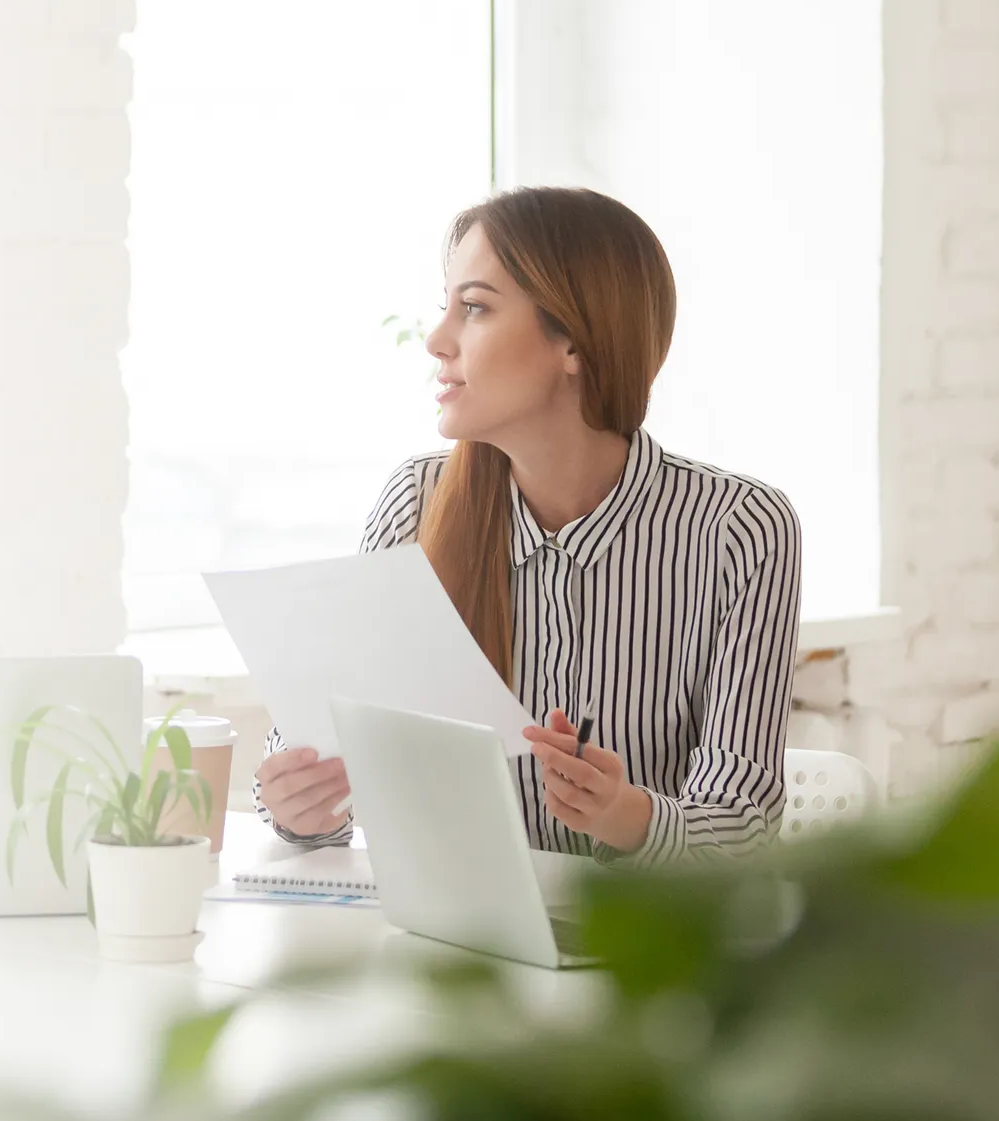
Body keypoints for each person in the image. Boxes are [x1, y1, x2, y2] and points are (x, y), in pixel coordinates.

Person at [253, 187, 800, 863]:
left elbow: (743, 828)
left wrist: (629, 816)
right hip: (451, 948)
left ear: (573, 340)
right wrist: (299, 804)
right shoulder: (416, 502)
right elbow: (326, 777)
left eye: (475, 308)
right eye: (445, 305)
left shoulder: (739, 530)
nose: (436, 338)